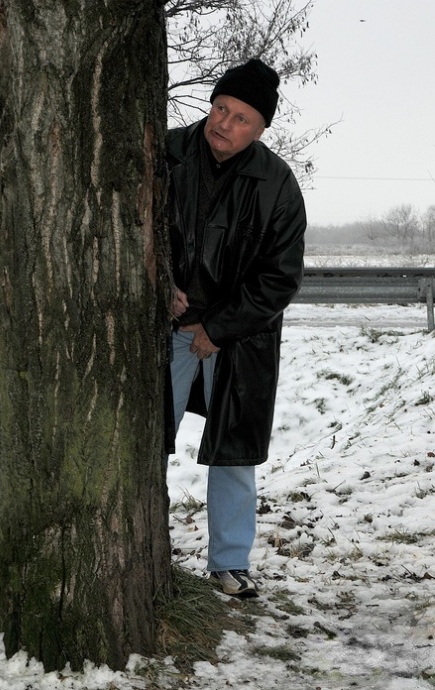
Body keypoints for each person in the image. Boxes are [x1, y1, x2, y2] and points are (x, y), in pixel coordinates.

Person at [166, 58, 306, 597]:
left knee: (234, 453)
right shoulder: (169, 155)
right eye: (220, 108)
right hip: (166, 329)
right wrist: (158, 286)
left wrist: (219, 329)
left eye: (241, 117)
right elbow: (129, 229)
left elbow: (281, 277)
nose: (224, 122)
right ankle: (143, 551)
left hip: (240, 338)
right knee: (143, 439)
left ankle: (229, 562)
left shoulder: (277, 185)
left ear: (261, 127)